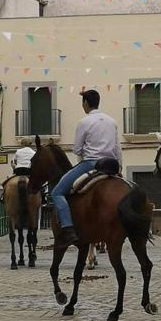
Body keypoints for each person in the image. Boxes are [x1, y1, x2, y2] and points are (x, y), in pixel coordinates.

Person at [51, 89, 122, 249]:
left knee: (56, 192)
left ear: (85, 103)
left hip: (91, 163)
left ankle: (68, 229)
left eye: (82, 101)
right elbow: (118, 148)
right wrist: (119, 168)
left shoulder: (84, 122)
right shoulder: (112, 122)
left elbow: (77, 149)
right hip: (111, 165)